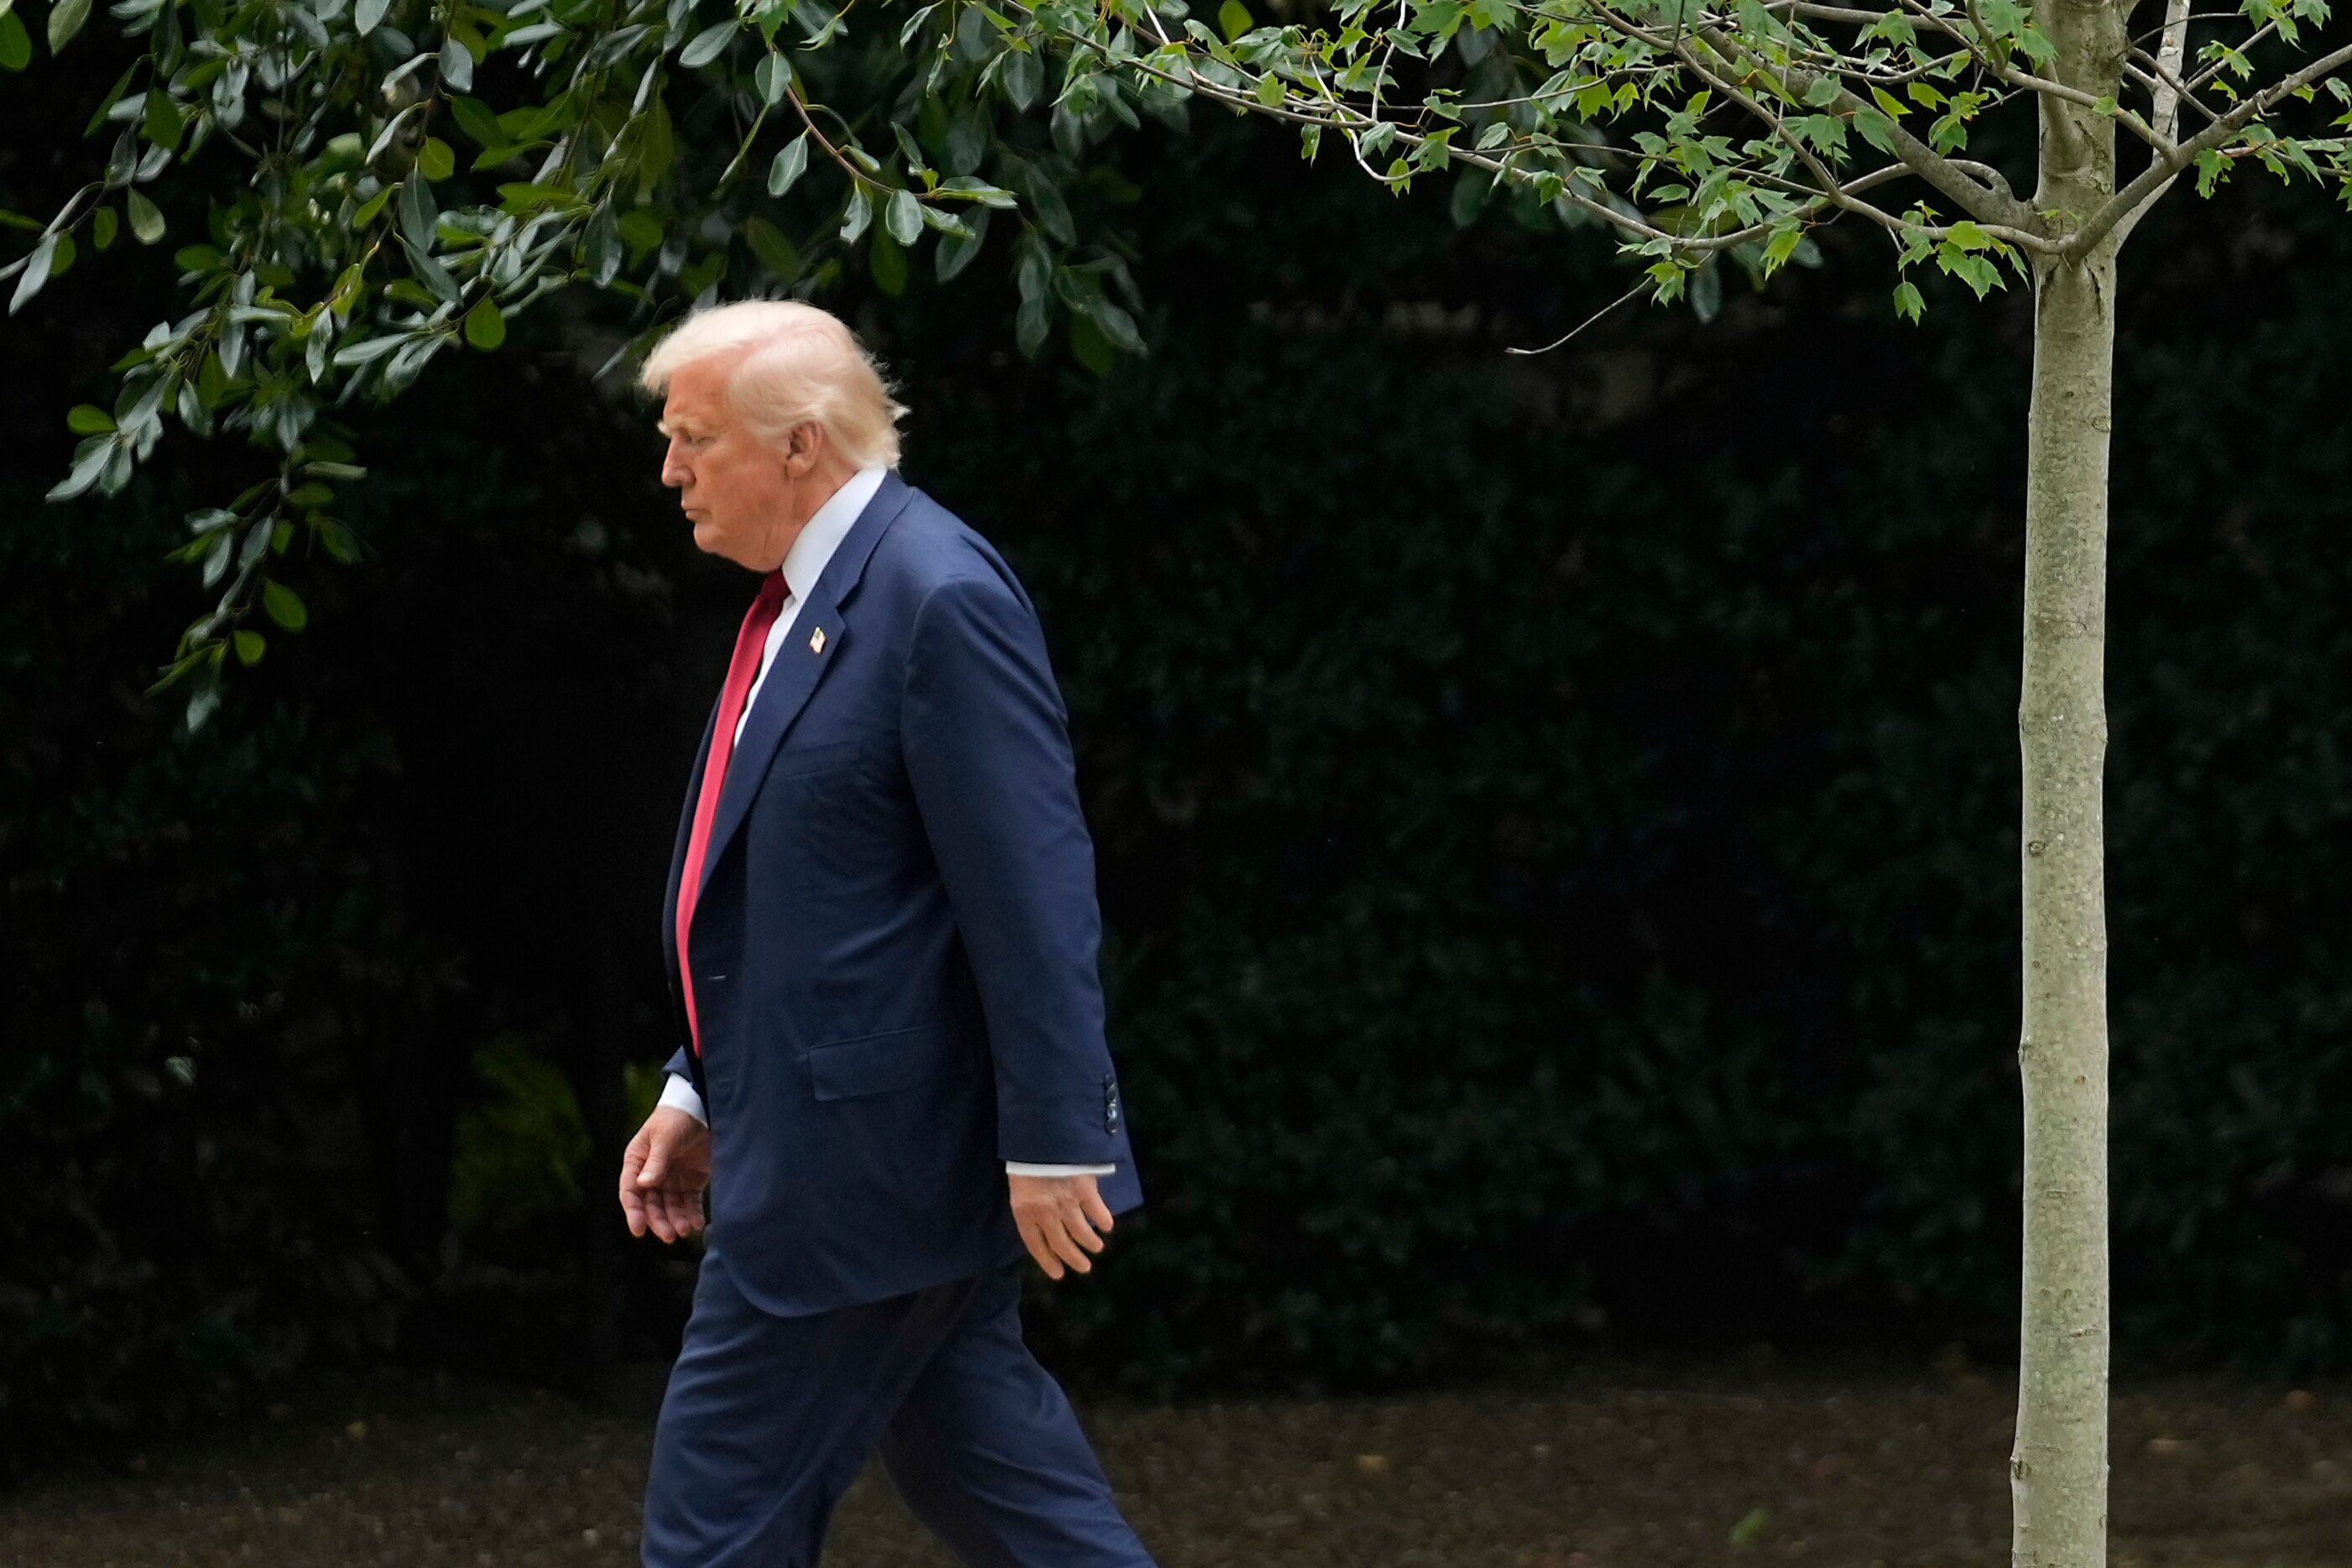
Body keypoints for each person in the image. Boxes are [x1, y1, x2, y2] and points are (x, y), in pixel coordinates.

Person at [614, 299, 1154, 1568]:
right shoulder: (804, 599)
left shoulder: (934, 594)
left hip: (854, 1184)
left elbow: (1031, 886)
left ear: (800, 444)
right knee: (1005, 1497)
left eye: (696, 438)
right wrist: (701, 1084)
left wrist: (1056, 1135)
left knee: (710, 1531)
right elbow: (809, 903)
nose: (671, 470)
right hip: (862, 1162)